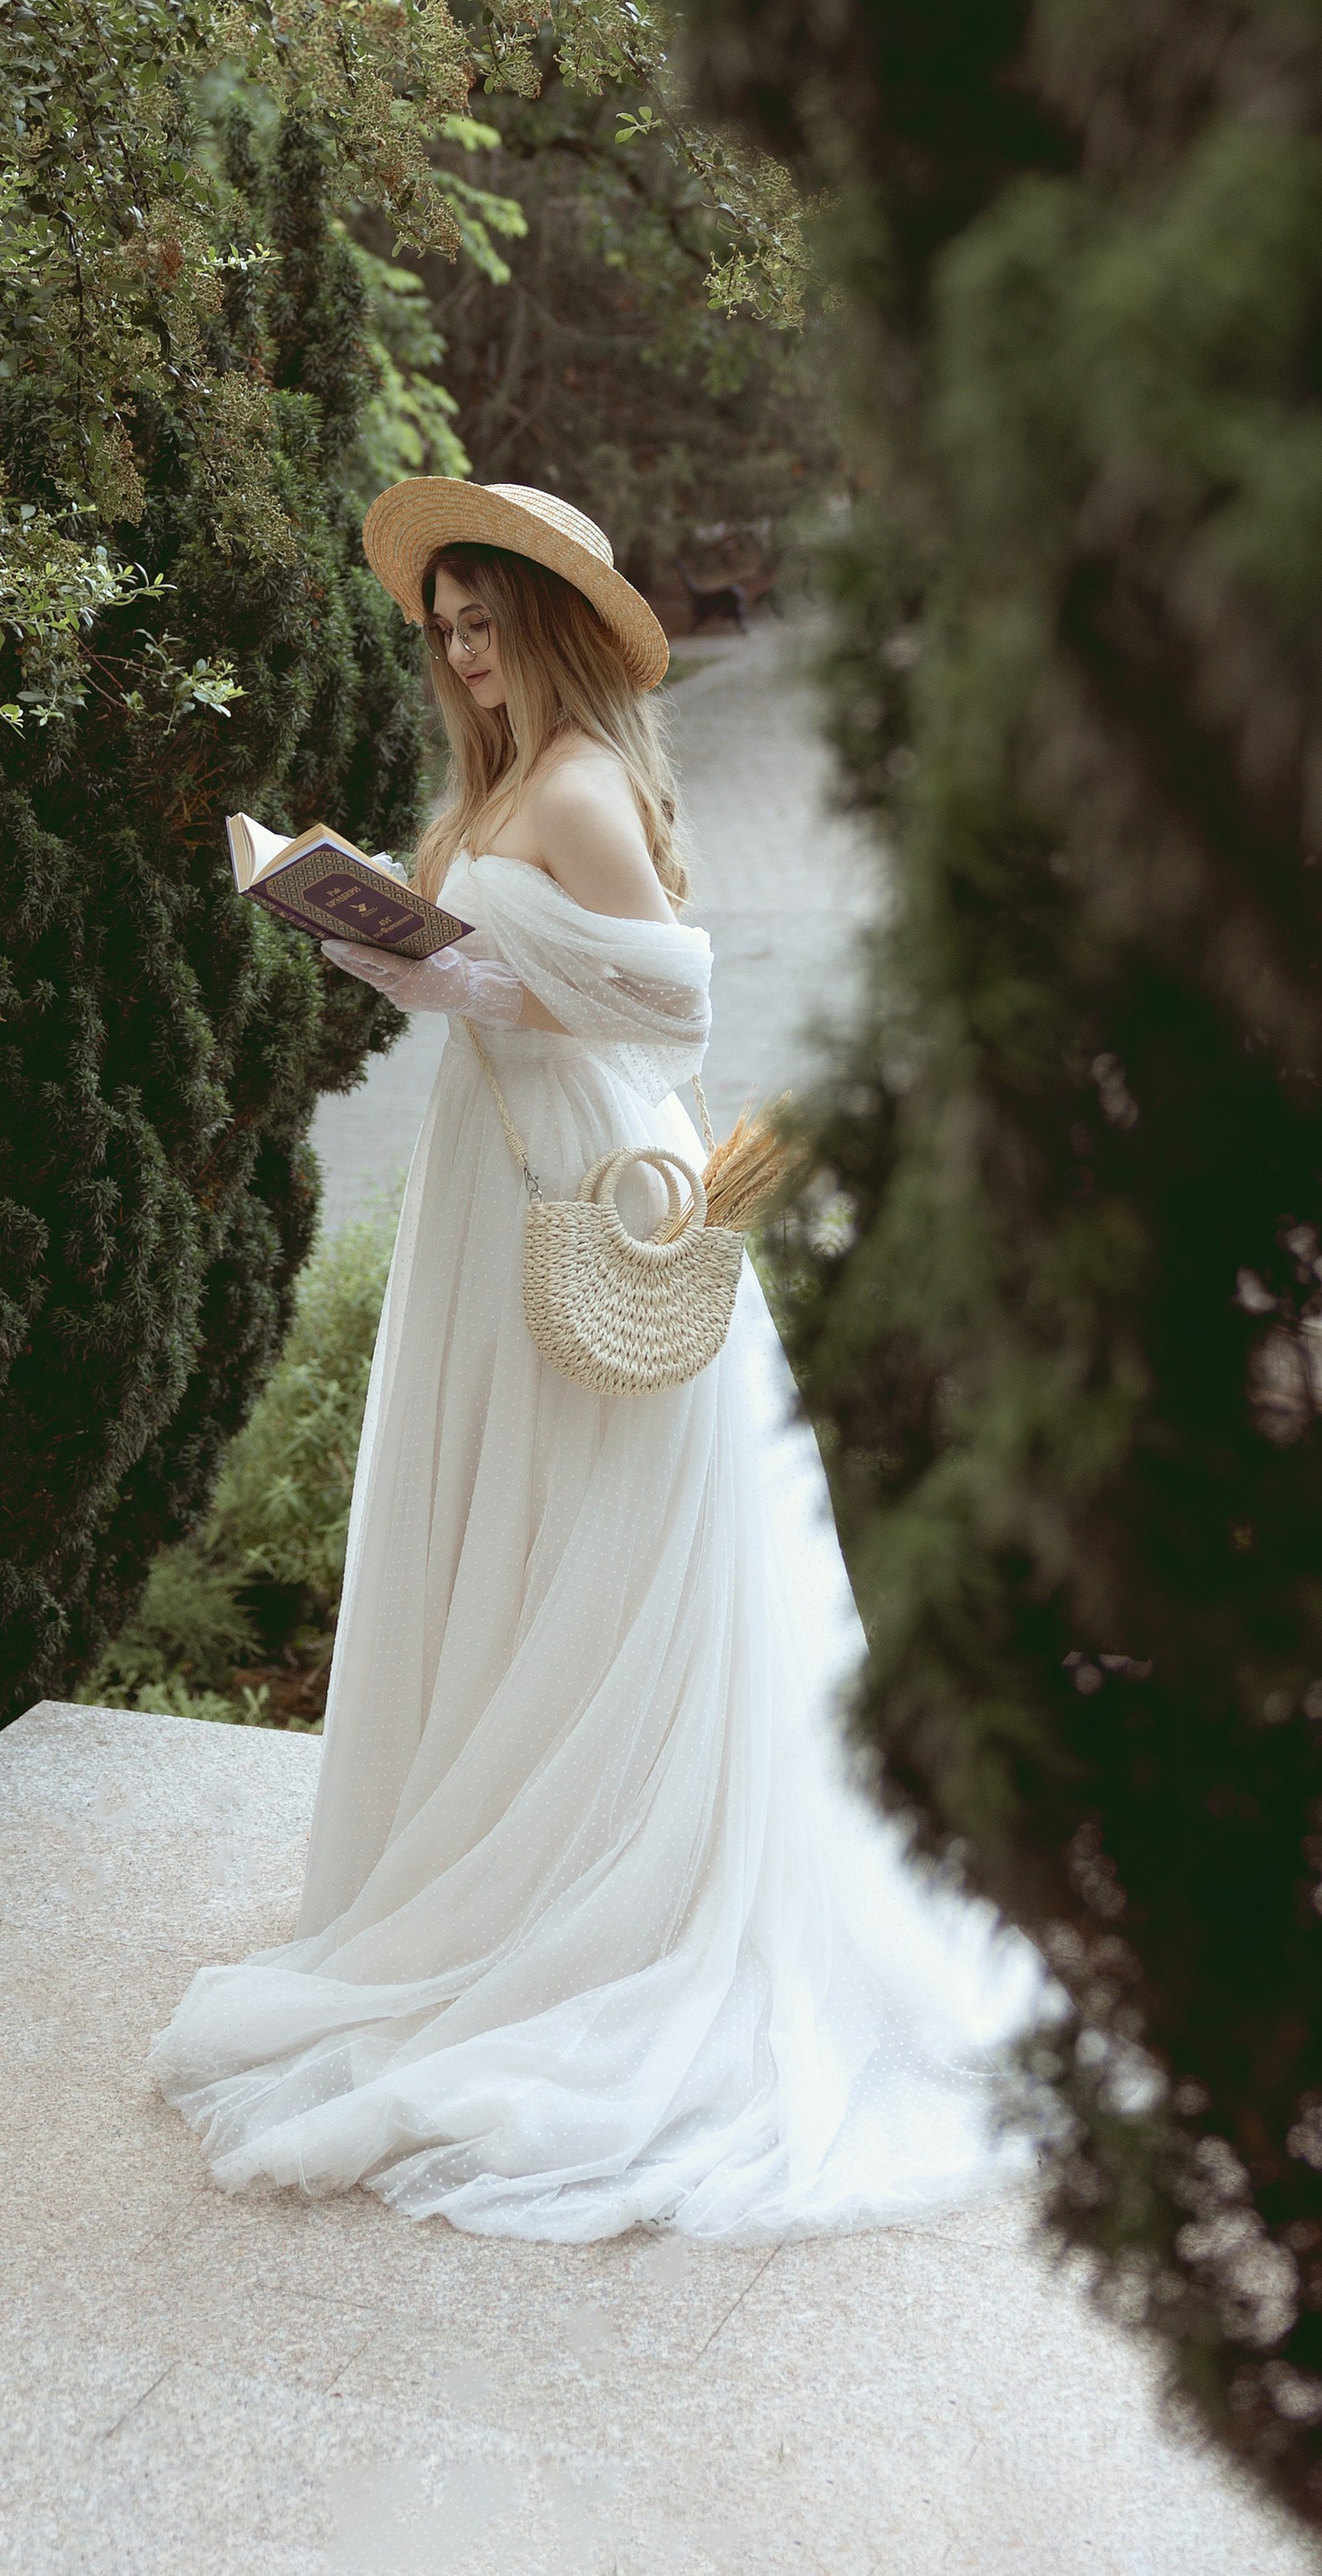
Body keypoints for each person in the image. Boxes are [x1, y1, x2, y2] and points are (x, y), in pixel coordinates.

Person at [150, 479, 1045, 2241]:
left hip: (581, 1172)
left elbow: (675, 1002)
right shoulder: (488, 785)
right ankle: (500, 1868)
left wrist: (478, 979)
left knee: (606, 1525)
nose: (466, 657)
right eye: (448, 631)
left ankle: (599, 1895)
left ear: (552, 628)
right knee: (512, 1518)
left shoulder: (570, 787)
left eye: (489, 625)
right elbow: (460, 976)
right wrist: (349, 922)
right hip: (492, 1176)